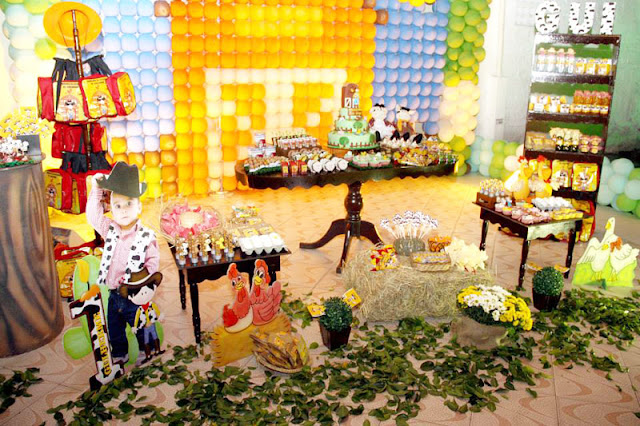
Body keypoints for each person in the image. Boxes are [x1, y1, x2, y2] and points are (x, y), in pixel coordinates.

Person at [87, 162, 159, 364]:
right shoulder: (109, 229)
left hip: (135, 293)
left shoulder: (145, 236)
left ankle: (147, 350)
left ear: (139, 207)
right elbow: (93, 217)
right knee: (114, 326)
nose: (124, 210)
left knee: (141, 323)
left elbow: (152, 262)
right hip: (114, 293)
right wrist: (96, 190)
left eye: (129, 204)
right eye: (117, 206)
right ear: (111, 209)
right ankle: (120, 353)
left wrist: (144, 283)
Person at [128, 269, 165, 364]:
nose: (144, 295)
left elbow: (156, 310)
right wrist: (135, 326)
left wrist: (159, 315)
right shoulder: (140, 309)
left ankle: (157, 349)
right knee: (146, 340)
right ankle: (147, 354)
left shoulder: (151, 305)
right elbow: (137, 318)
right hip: (144, 326)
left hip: (152, 324)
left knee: (155, 336)